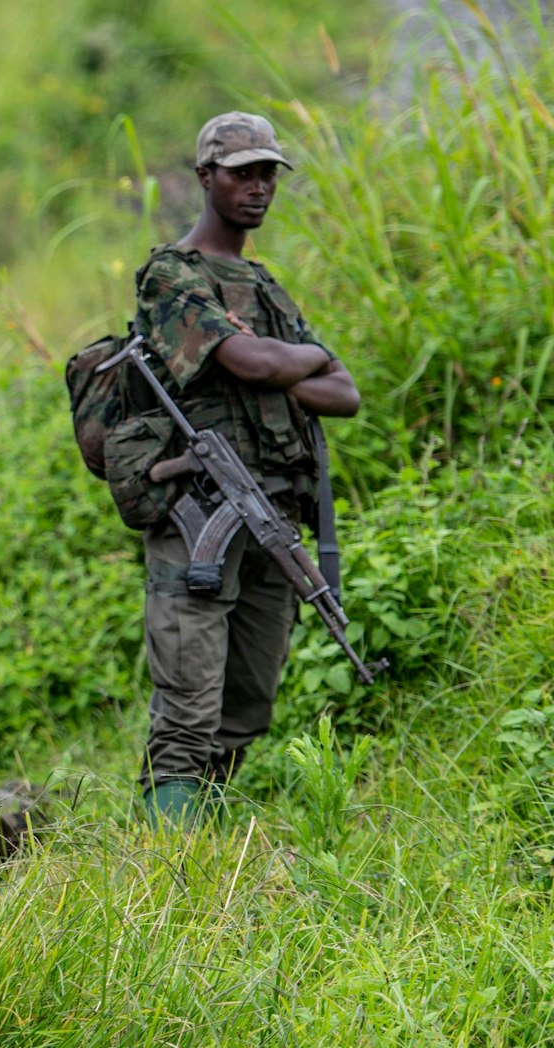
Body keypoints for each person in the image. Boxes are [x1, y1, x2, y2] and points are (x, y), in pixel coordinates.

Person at [132, 113, 361, 826]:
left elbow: (345, 392)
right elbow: (252, 361)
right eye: (242, 172)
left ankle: (208, 845)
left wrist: (279, 367)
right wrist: (290, 363)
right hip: (199, 510)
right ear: (206, 177)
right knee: (188, 705)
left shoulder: (263, 286)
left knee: (247, 703)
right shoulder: (172, 275)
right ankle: (162, 864)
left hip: (273, 515)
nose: (259, 187)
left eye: (268, 173)